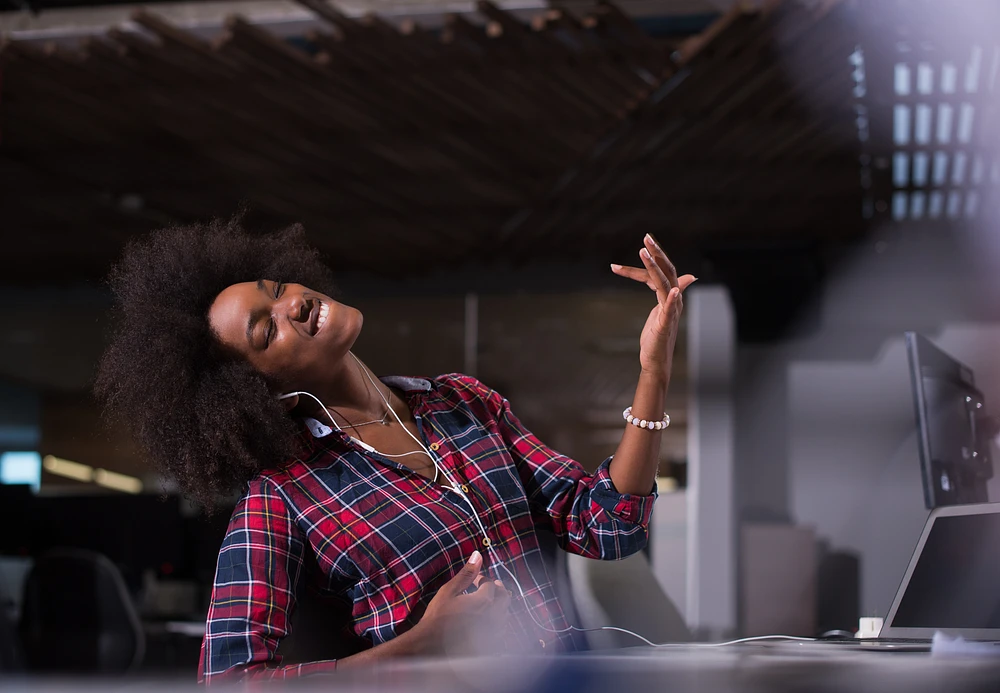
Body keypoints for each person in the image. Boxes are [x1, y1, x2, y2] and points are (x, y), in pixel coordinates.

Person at [95, 215, 694, 683]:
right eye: (266, 328)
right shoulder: (282, 499)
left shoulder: (463, 404)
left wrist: (653, 373)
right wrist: (419, 646)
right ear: (257, 392)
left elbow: (609, 525)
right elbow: (228, 682)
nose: (290, 304)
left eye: (275, 289)